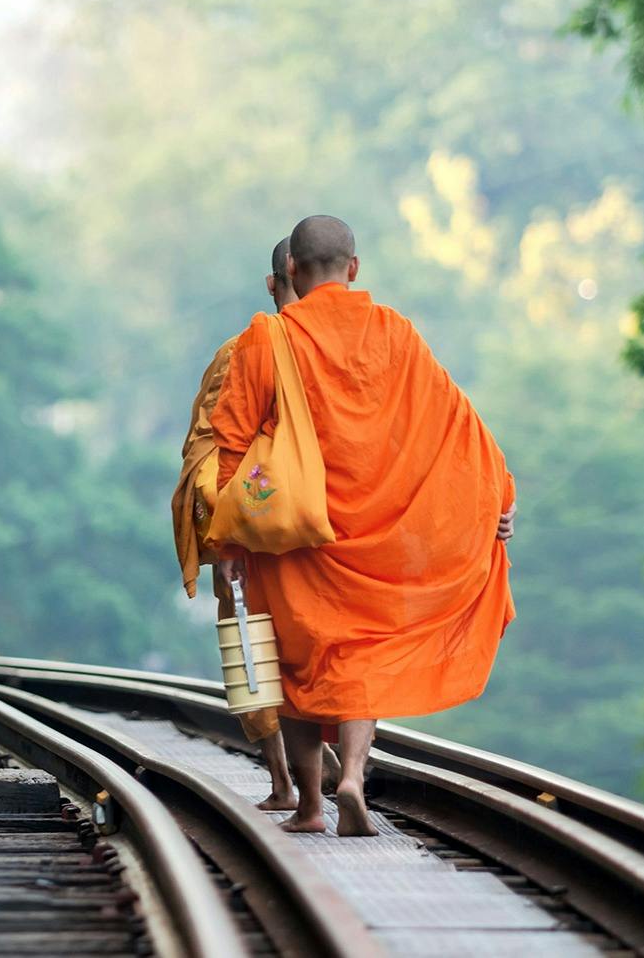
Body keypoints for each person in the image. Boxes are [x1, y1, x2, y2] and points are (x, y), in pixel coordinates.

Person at [211, 215, 517, 836]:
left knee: (299, 667)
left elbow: (229, 446)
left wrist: (226, 537)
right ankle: (352, 774)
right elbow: (456, 423)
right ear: (354, 268)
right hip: (379, 536)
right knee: (361, 659)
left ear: (291, 270)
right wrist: (496, 501)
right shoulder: (395, 334)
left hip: (296, 537)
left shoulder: (265, 340)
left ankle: (310, 806)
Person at [171, 238, 300, 810]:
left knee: (250, 641)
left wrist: (218, 530)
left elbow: (210, 447)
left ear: (272, 283)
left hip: (247, 522)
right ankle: (334, 780)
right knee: (315, 644)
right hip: (318, 527)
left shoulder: (240, 349)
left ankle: (283, 782)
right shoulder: (339, 352)